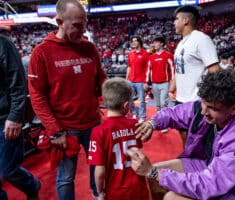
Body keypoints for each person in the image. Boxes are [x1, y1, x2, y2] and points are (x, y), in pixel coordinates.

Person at [128, 69, 235, 200]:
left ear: (234, 109)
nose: (203, 112)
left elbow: (207, 185)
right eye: (204, 103)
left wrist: (153, 171)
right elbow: (173, 113)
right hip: (210, 166)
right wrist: (152, 124)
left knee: (171, 196)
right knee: (154, 177)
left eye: (212, 108)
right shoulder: (210, 106)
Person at [27, 0, 107, 199]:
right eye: (77, 26)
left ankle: (99, 196)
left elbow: (101, 80)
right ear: (60, 21)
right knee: (65, 178)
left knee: (99, 168)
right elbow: (37, 96)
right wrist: (55, 132)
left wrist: (116, 99)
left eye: (85, 24)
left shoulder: (89, 48)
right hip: (65, 129)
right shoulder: (41, 53)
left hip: (93, 124)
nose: (83, 30)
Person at [88, 77, 150, 200]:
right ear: (126, 105)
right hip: (138, 186)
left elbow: (100, 170)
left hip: (116, 190)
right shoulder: (135, 124)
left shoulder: (98, 132)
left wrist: (100, 192)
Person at [168, 5, 219, 144]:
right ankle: (188, 160)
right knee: (182, 132)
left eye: (176, 19)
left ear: (185, 20)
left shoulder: (201, 39)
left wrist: (206, 98)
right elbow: (179, 69)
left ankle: (201, 164)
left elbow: (215, 70)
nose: (174, 22)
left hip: (196, 99)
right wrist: (172, 87)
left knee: (197, 139)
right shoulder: (181, 43)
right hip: (181, 99)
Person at [0, 34, 40, 200]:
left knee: (6, 169)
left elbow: (18, 83)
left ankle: (32, 185)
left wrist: (15, 116)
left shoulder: (3, 44)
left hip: (5, 118)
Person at [146, 36, 174, 113]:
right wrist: (146, 82)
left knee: (163, 103)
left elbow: (172, 69)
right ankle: (159, 119)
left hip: (165, 83)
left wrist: (172, 82)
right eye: (153, 43)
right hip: (154, 83)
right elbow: (148, 70)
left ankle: (164, 119)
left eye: (156, 42)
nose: (154, 44)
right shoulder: (151, 57)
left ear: (161, 44)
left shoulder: (168, 55)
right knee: (157, 104)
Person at [126, 35, 150, 123]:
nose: (133, 42)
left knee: (142, 100)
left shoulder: (145, 54)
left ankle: (142, 116)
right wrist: (126, 79)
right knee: (130, 98)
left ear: (139, 42)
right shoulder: (130, 54)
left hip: (141, 81)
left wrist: (146, 82)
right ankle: (134, 112)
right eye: (132, 41)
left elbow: (148, 68)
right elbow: (129, 67)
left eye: (135, 40)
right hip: (130, 80)